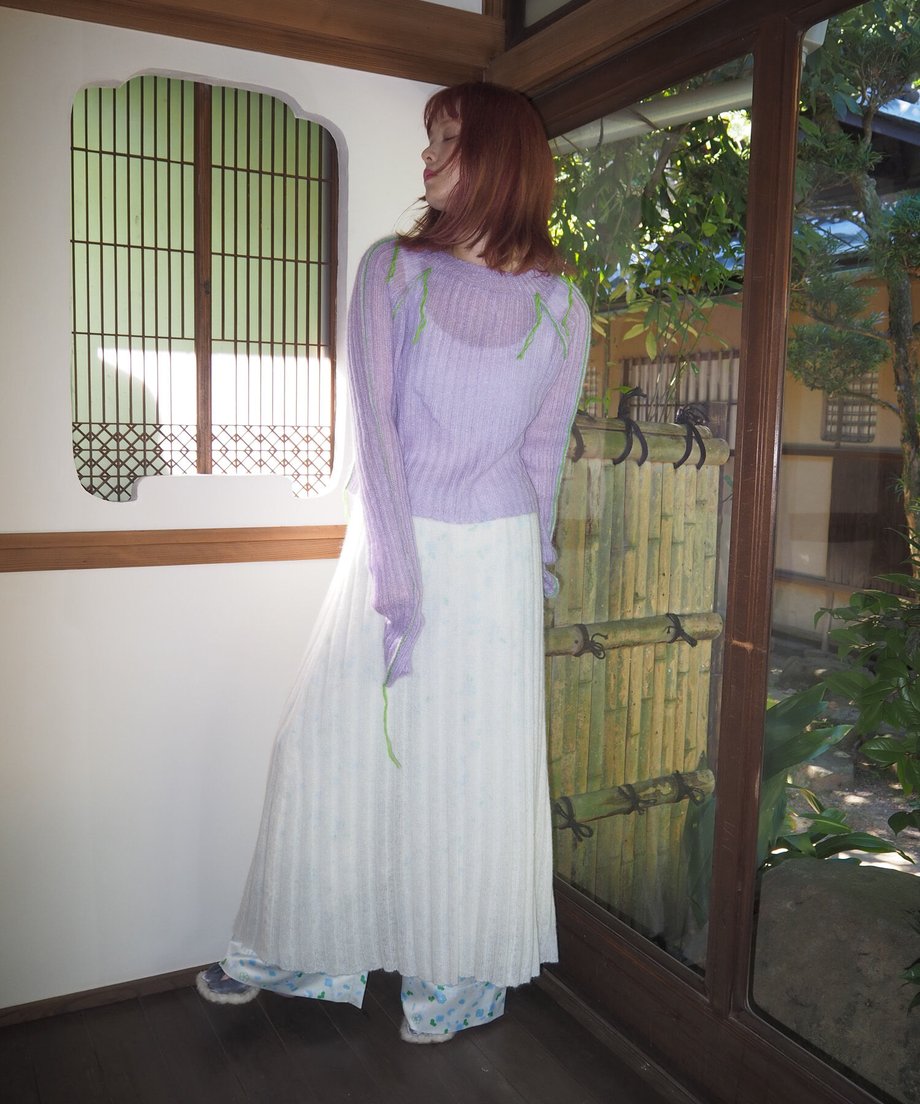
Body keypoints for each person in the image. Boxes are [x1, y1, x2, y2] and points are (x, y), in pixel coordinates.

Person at [196, 81, 590, 1043]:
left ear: (498, 159)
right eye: (430, 140)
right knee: (330, 753)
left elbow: (543, 455)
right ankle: (300, 948)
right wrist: (397, 570)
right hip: (393, 544)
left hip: (495, 565)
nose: (427, 158)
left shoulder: (562, 306)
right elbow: (371, 431)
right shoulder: (393, 272)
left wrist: (534, 571)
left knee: (468, 775)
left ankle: (449, 982)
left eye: (447, 140)